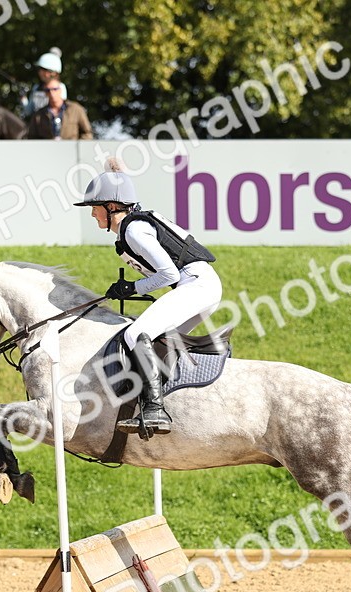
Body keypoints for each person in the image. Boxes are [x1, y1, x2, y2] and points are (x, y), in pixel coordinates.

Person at [73, 162, 222, 437]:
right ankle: (161, 401)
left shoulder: (133, 230)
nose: (93, 214)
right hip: (200, 285)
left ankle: (154, 410)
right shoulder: (131, 228)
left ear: (111, 206)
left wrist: (132, 288)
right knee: (157, 341)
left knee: (136, 334)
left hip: (196, 284)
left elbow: (166, 273)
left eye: (95, 207)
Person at [26, 79, 92, 140]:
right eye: (48, 90)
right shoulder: (39, 115)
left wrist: (78, 147)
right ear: (45, 93)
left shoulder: (76, 109)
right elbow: (32, 138)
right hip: (48, 151)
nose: (52, 93)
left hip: (71, 150)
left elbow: (87, 133)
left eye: (55, 89)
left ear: (60, 90)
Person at [21, 48, 67, 118]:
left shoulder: (60, 87)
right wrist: (23, 97)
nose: (39, 72)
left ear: (51, 72)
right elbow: (28, 111)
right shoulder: (36, 88)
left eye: (42, 69)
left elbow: (61, 110)